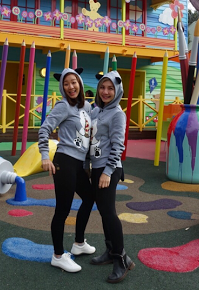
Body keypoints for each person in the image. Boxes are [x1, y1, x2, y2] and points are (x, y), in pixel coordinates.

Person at [38, 67, 95, 273]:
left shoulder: (86, 107)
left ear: (80, 83)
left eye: (73, 82)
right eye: (66, 83)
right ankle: (58, 256)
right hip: (64, 161)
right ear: (63, 88)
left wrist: (87, 164)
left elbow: (87, 137)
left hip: (78, 164)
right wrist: (45, 156)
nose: (71, 87)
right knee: (63, 210)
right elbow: (44, 128)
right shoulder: (63, 106)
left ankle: (79, 243)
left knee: (89, 198)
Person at [89, 71, 134, 283]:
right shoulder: (97, 111)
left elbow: (118, 146)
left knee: (109, 213)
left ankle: (121, 259)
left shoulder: (117, 114)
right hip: (97, 167)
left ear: (118, 91)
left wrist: (107, 172)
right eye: (102, 87)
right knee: (104, 213)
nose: (105, 92)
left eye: (110, 88)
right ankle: (110, 251)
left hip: (109, 169)